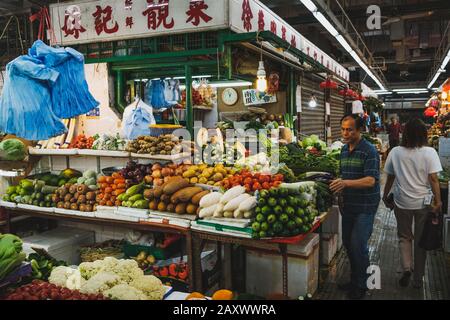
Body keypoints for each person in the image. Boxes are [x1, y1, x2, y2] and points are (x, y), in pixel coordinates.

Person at [382, 118, 442, 289]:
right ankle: (418, 279)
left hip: (402, 202)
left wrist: (385, 195)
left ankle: (407, 268)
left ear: (404, 133)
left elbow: (390, 177)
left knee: (404, 237)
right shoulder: (429, 152)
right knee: (420, 241)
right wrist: (438, 201)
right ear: (423, 134)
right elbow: (433, 179)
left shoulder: (395, 152)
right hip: (423, 203)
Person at [330, 114, 380, 300]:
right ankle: (355, 279)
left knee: (359, 245)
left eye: (350, 129)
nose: (345, 133)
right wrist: (337, 186)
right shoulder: (343, 150)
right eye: (343, 129)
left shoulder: (369, 151)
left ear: (359, 130)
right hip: (349, 205)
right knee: (349, 246)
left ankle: (362, 285)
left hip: (365, 206)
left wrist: (346, 184)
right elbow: (344, 175)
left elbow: (370, 180)